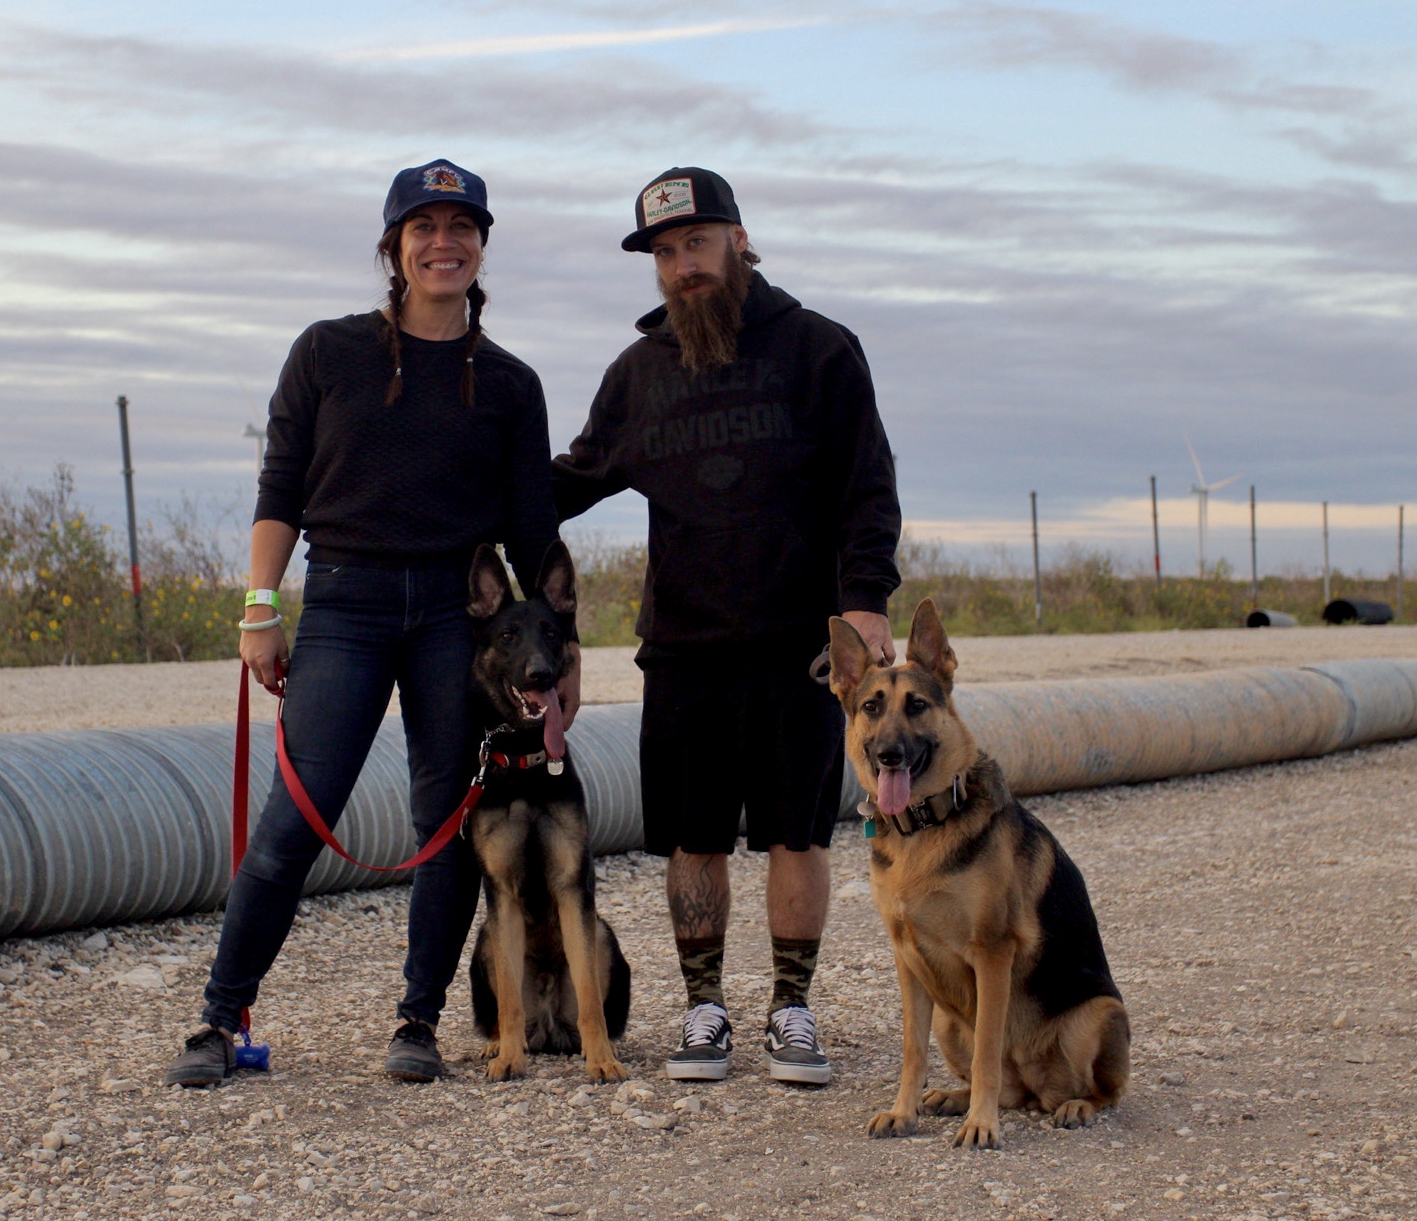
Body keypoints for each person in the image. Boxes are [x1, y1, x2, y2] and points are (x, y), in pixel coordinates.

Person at [165, 159, 558, 1087]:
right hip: (345, 601)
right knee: (293, 823)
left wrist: (557, 660)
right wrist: (260, 608)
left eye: (461, 228)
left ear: (481, 246)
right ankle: (220, 1020)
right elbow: (280, 490)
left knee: (447, 822)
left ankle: (418, 1023)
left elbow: (535, 534)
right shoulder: (327, 352)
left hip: (457, 620)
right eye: (424, 228)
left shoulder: (511, 384)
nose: (443, 243)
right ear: (394, 248)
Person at [552, 167, 901, 1086]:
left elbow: (867, 485)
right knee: (692, 837)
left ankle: (791, 1009)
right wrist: (469, 496)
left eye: (696, 244)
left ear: (739, 242)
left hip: (801, 648)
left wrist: (866, 601)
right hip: (684, 648)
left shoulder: (819, 350)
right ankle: (703, 1010)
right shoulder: (639, 373)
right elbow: (570, 480)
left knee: (798, 834)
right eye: (665, 253)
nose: (683, 266)